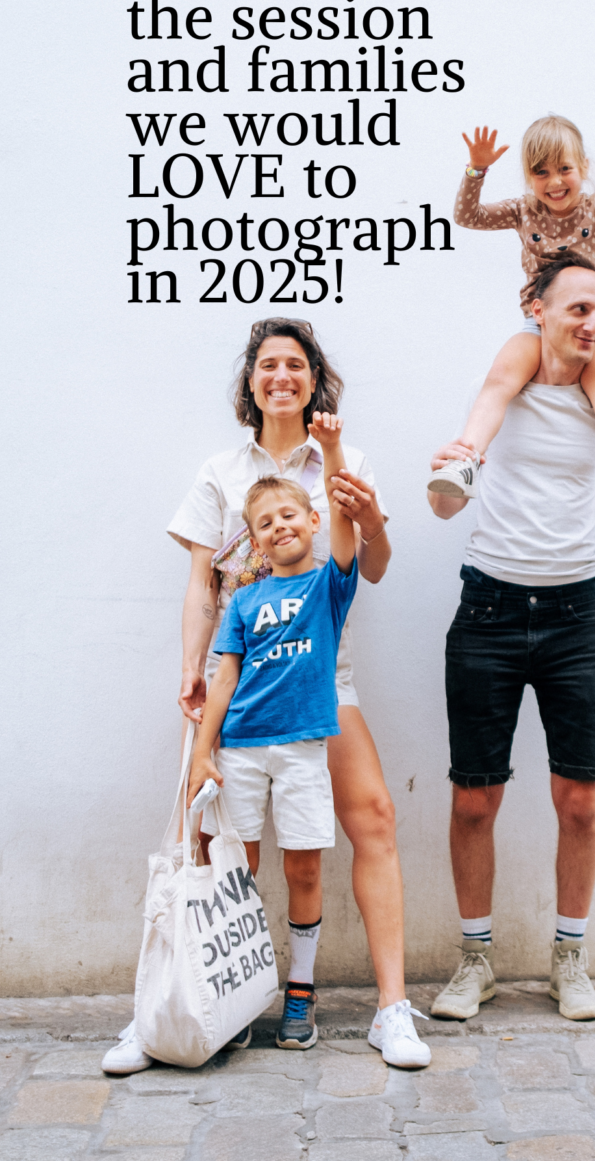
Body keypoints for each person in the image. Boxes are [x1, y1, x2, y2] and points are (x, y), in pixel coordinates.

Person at [103, 319, 429, 1074]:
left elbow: (368, 569)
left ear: (315, 379)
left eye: (296, 364)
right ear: (250, 382)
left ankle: (391, 1009)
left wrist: (372, 516)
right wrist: (192, 665)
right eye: (267, 365)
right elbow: (200, 584)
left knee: (373, 817)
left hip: (324, 683)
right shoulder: (219, 470)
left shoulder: (344, 460)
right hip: (241, 687)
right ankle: (178, 1006)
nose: (281, 375)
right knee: (213, 849)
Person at [427, 258, 595, 1023]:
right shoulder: (518, 355)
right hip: (490, 609)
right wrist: (465, 456)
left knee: (581, 799)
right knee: (474, 800)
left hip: (574, 617)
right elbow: (494, 398)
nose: (592, 324)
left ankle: (569, 959)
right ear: (538, 307)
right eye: (578, 309)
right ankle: (476, 962)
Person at [187, 412, 357, 1052]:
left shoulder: (330, 586)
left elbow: (347, 521)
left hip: (303, 751)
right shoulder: (244, 603)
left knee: (305, 869)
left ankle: (300, 991)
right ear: (254, 543)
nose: (280, 526)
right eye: (265, 523)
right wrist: (204, 755)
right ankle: (240, 991)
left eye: (290, 515)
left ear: (311, 521)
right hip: (240, 752)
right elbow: (223, 680)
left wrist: (334, 447)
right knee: (240, 869)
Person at [427, 110, 595, 542]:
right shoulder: (524, 210)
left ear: (584, 169)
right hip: (535, 327)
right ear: (528, 178)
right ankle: (465, 460)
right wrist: (476, 170)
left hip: (589, 327)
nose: (554, 182)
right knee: (499, 381)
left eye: (564, 169)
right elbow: (468, 216)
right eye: (541, 173)